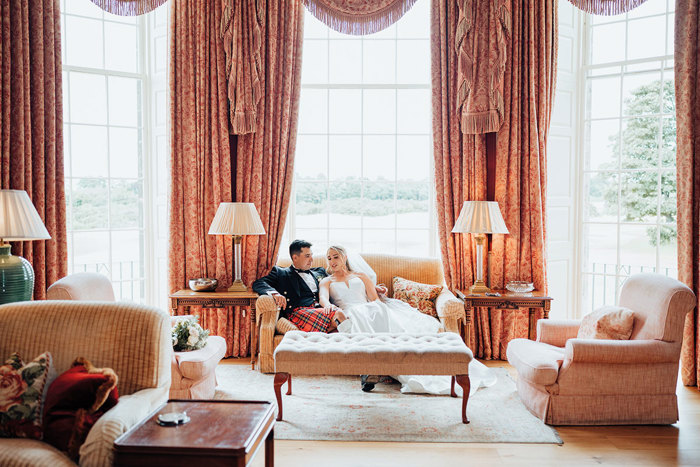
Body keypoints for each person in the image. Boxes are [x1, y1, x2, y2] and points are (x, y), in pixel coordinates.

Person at [319, 245, 497, 395]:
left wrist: (380, 296)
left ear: (344, 257)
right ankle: (371, 366)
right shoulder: (326, 281)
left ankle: (374, 365)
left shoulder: (360, 276)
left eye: (336, 257)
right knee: (359, 315)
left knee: (377, 310)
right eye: (329, 258)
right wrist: (330, 306)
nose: (332, 261)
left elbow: (374, 299)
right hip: (349, 311)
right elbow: (323, 299)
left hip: (369, 307)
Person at [252, 239, 387, 333]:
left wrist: (373, 288)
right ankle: (352, 346)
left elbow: (342, 280)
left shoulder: (320, 272)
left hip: (322, 311)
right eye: (307, 256)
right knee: (340, 314)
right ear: (295, 258)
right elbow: (258, 283)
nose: (311, 259)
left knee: (350, 318)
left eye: (312, 255)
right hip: (300, 311)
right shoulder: (281, 273)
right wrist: (274, 293)